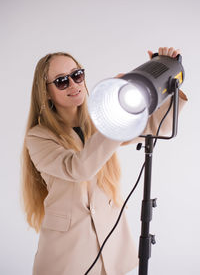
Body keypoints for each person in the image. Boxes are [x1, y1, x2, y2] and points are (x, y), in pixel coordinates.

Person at [20, 47, 187, 275]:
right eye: (61, 81)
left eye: (77, 75)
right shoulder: (39, 137)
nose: (73, 84)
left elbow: (157, 127)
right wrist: (115, 116)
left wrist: (164, 77)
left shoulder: (99, 120)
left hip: (111, 245)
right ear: (46, 92)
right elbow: (78, 168)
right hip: (67, 254)